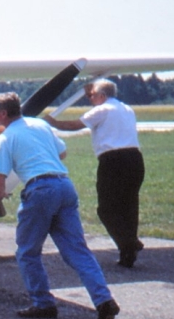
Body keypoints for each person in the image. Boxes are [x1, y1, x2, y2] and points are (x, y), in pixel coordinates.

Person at [0, 92, 120, 319]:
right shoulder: (39, 124)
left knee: (28, 252)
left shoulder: (5, 138)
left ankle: (43, 303)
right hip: (64, 186)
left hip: (39, 191)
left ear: (3, 114)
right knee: (78, 251)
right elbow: (62, 152)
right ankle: (103, 300)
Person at [45, 79, 145, 267]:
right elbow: (96, 106)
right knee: (129, 206)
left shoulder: (102, 110)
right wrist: (89, 92)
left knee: (106, 209)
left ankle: (129, 243)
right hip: (135, 159)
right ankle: (128, 251)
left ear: (102, 96)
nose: (91, 98)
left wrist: (53, 122)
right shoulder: (126, 109)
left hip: (113, 161)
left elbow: (76, 125)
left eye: (93, 95)